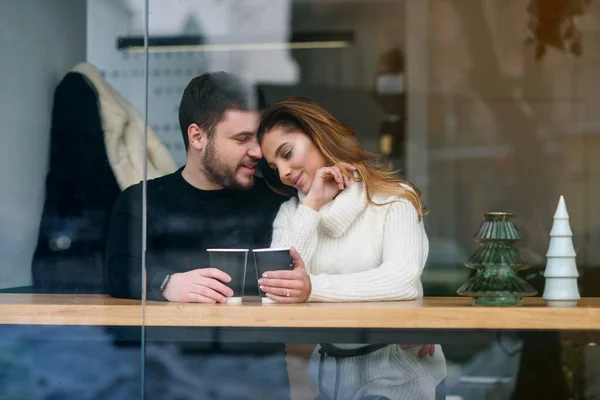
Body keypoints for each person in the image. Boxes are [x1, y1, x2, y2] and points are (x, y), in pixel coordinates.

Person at [104, 72, 291, 399]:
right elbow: (117, 274)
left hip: (259, 382)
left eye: (257, 137)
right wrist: (167, 284)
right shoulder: (142, 201)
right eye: (241, 139)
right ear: (197, 136)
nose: (258, 151)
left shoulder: (277, 200)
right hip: (169, 381)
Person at [255, 96, 447, 400]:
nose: (283, 172)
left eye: (287, 153)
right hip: (330, 378)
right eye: (274, 166)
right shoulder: (293, 214)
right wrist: (313, 204)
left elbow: (402, 280)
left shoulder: (393, 199)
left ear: (318, 135)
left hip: (400, 373)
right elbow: (279, 287)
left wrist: (312, 289)